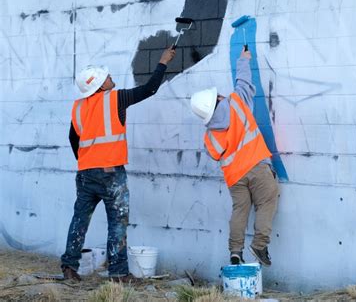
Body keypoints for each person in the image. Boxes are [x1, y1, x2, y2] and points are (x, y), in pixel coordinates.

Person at [60, 47, 176, 282]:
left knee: (80, 219)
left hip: (85, 173)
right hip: (110, 173)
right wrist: (163, 62)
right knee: (118, 221)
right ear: (100, 85)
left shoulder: (79, 107)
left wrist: (86, 162)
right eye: (107, 77)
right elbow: (149, 89)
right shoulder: (115, 98)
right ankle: (118, 273)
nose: (111, 78)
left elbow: (73, 138)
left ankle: (69, 268)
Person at [189, 48, 279, 266]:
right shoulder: (236, 102)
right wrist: (243, 58)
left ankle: (235, 251)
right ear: (218, 97)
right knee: (268, 200)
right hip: (257, 167)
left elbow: (214, 154)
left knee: (240, 210)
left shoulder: (209, 135)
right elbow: (244, 81)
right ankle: (259, 244)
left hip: (234, 177)